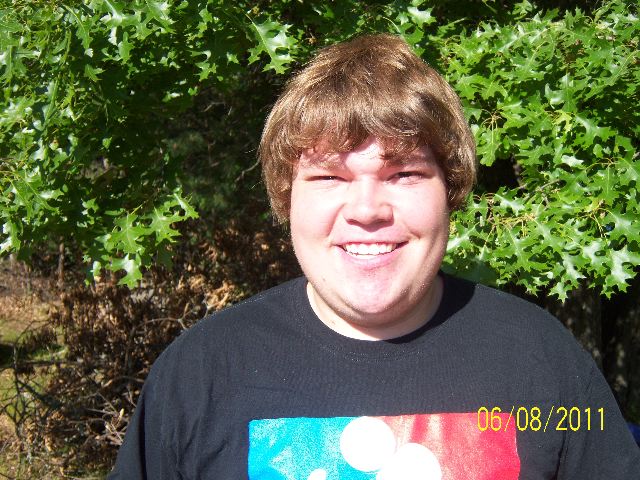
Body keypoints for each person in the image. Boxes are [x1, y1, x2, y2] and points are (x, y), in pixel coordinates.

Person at [108, 34, 640, 479]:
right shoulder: (199, 375)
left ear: (450, 191)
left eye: (403, 174)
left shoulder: (541, 360)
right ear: (287, 199)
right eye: (329, 177)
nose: (366, 210)